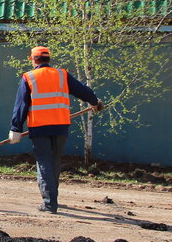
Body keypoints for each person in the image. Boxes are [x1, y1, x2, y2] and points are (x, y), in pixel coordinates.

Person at [9, 46, 104, 214]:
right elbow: (82, 90)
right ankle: (52, 198)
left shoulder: (29, 77)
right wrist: (94, 101)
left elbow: (21, 106)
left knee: (44, 161)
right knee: (54, 161)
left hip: (39, 127)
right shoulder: (62, 75)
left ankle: (49, 202)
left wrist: (16, 128)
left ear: (33, 59)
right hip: (60, 126)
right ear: (48, 59)